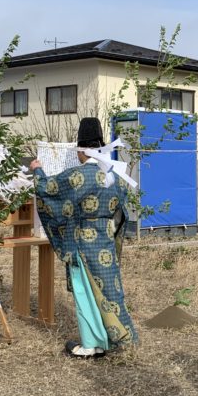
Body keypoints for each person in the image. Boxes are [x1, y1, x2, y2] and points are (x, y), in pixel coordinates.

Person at [30, 118, 136, 359]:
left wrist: (37, 169)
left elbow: (47, 190)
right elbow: (122, 214)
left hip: (82, 244)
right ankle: (118, 336)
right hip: (105, 242)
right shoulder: (114, 177)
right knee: (110, 291)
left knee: (85, 292)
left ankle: (91, 344)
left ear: (80, 150)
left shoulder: (76, 177)